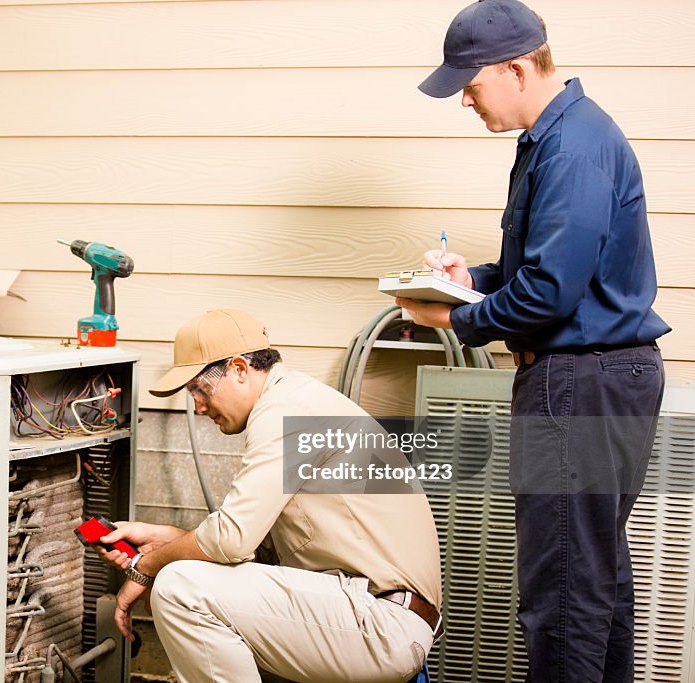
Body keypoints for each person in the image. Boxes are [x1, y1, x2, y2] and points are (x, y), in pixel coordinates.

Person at [400, 1, 670, 681]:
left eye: (470, 83)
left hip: (578, 381)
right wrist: (473, 280)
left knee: (565, 594)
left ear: (518, 67)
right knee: (594, 583)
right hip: (603, 376)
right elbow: (547, 268)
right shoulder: (562, 137)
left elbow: (551, 293)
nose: (465, 99)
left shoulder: (573, 147)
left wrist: (456, 319)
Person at [93, 308, 442, 683]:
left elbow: (231, 540)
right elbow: (246, 551)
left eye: (200, 389)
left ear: (240, 369)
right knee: (187, 579)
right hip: (366, 612)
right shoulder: (295, 400)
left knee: (181, 589)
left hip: (381, 621)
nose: (197, 405)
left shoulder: (285, 410)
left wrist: (149, 566)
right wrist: (172, 539)